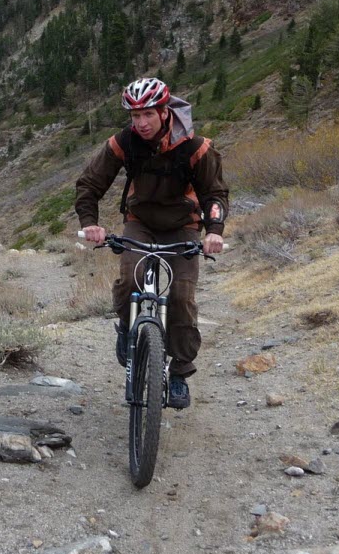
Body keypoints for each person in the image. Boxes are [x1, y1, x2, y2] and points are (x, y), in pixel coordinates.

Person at [75, 77, 228, 410]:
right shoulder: (123, 143)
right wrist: (90, 225)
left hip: (183, 226)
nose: (141, 123)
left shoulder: (195, 146)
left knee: (182, 297)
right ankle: (127, 328)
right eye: (134, 117)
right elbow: (89, 184)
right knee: (130, 279)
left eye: (148, 115)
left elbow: (214, 194)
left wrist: (214, 229)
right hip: (140, 222)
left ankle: (179, 373)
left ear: (164, 111)